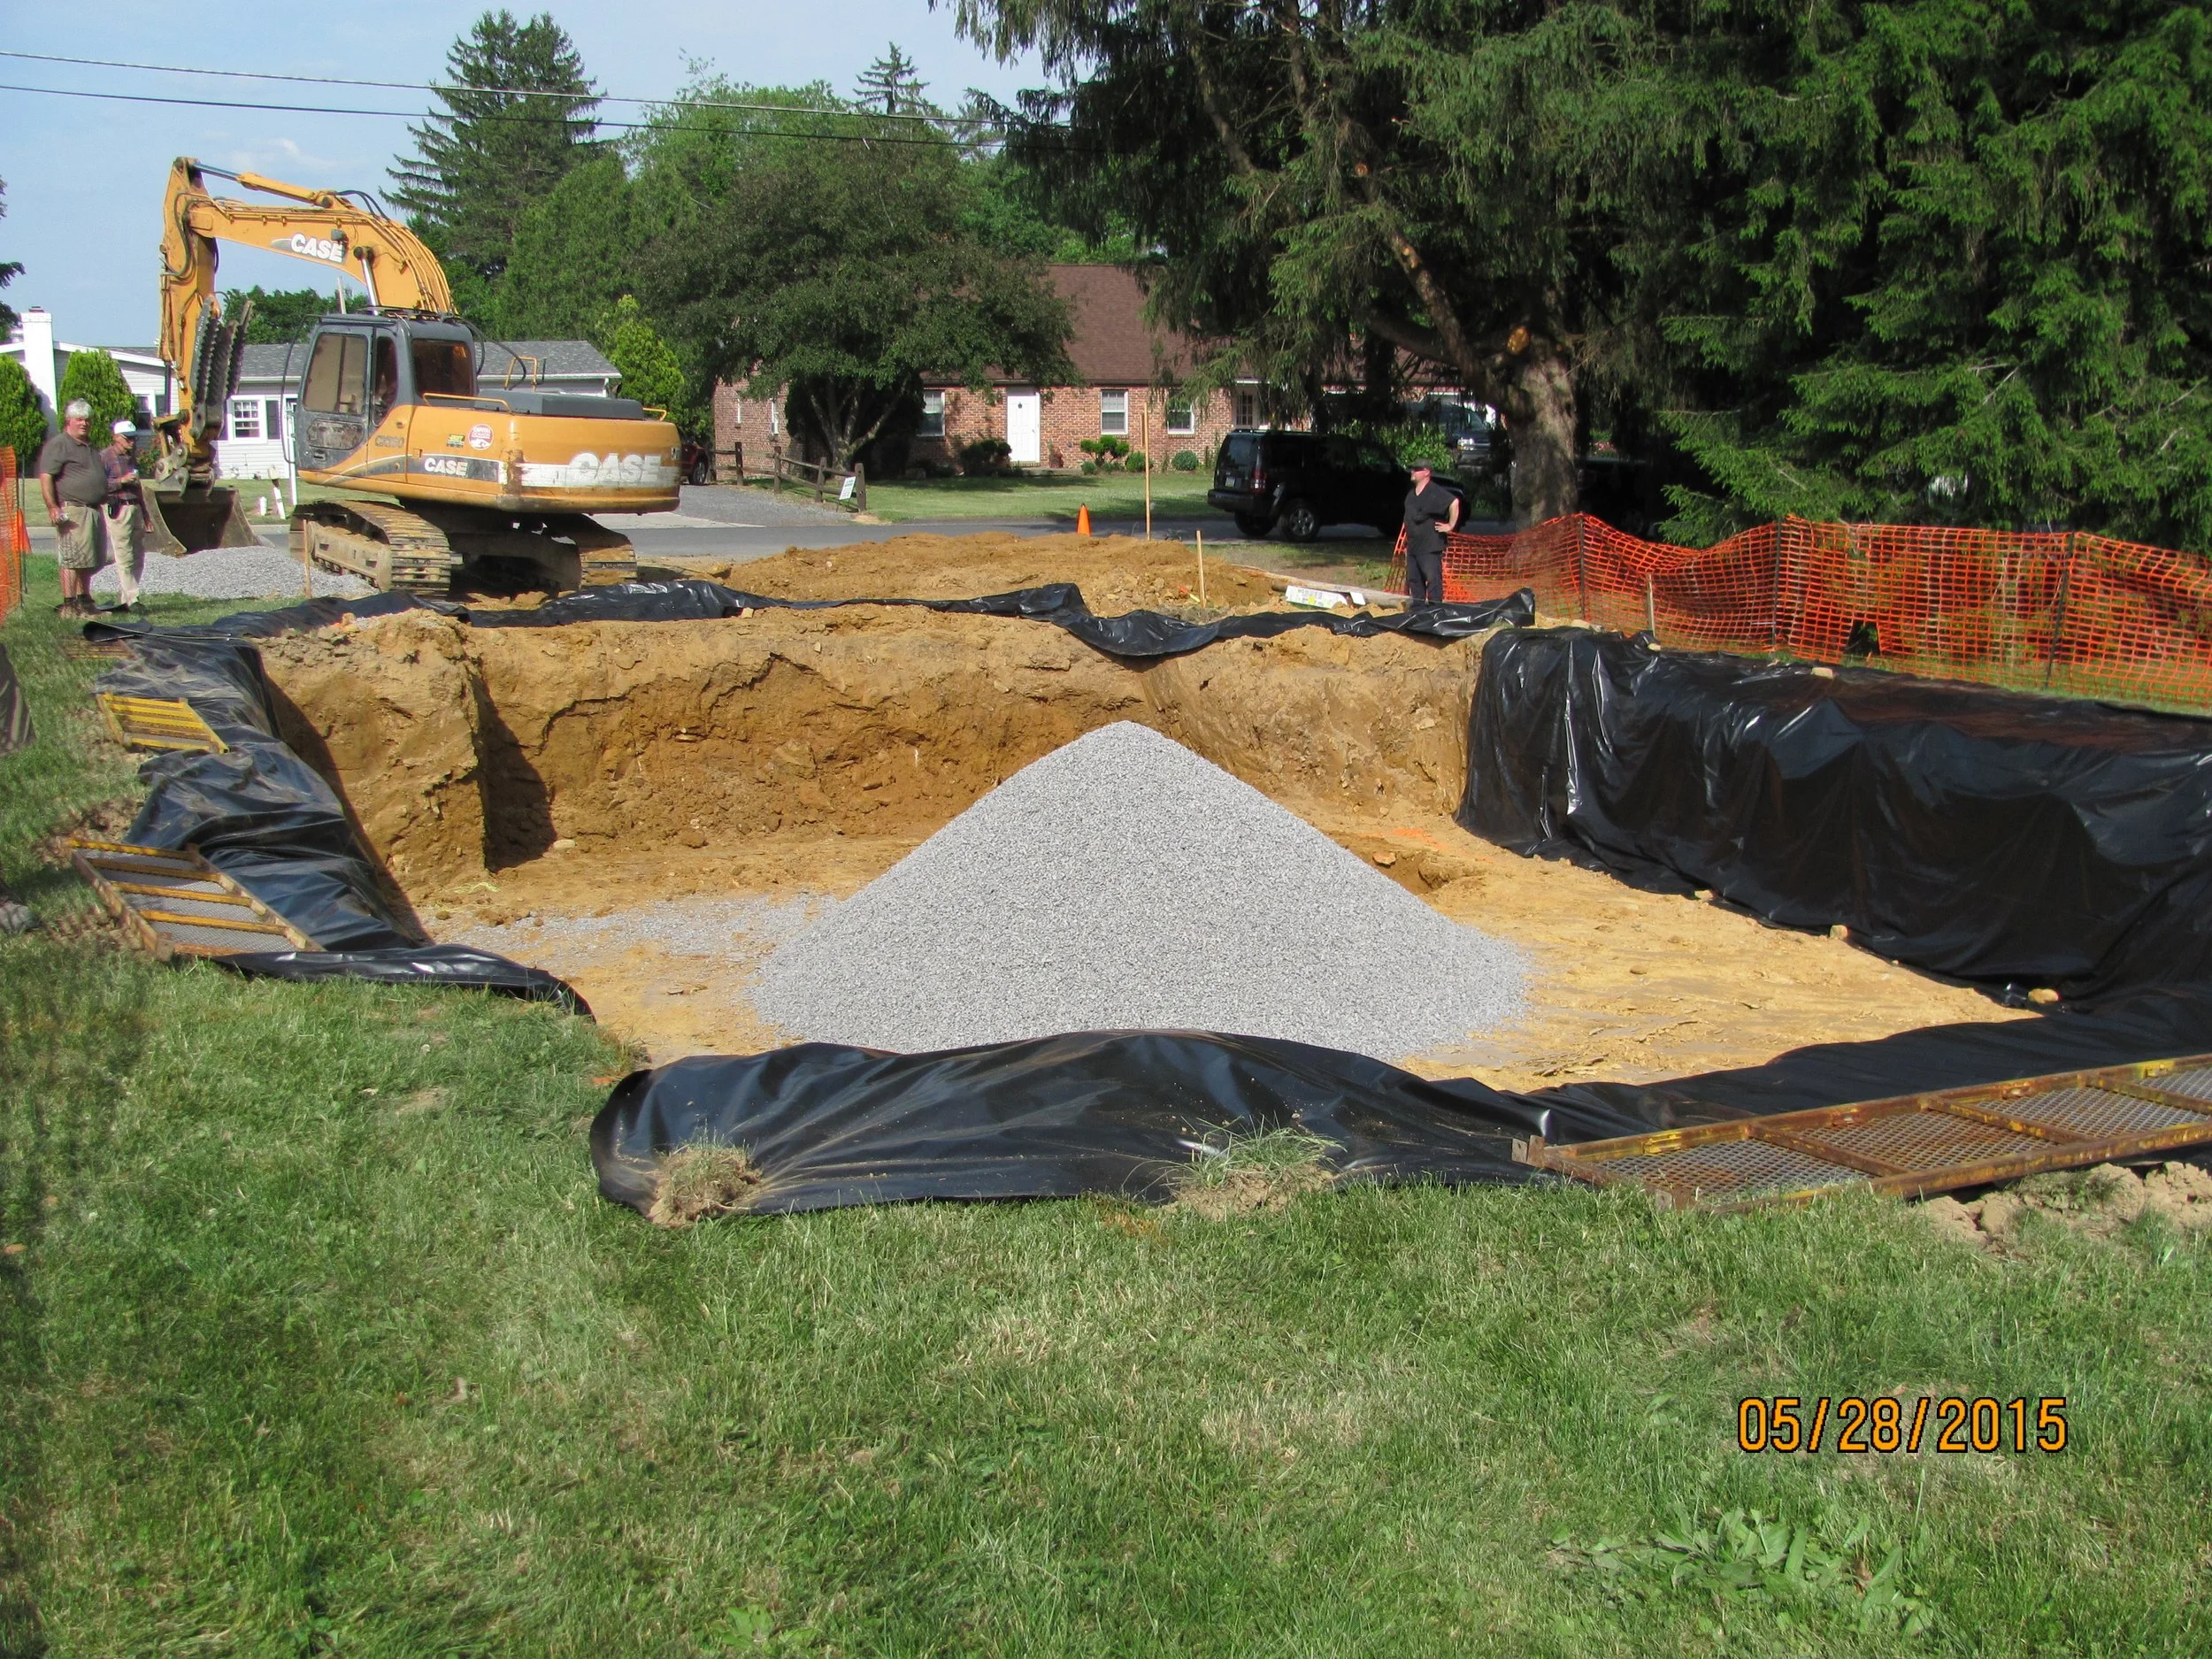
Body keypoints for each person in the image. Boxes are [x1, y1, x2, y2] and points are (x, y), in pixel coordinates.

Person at [37, 399, 110, 618]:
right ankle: (69, 606)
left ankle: (85, 602)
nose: (84, 423)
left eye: (87, 420)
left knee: (88, 560)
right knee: (72, 558)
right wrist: (52, 507)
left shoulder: (89, 446)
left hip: (93, 510)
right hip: (74, 509)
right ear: (69, 420)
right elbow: (46, 476)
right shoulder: (60, 444)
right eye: (80, 419)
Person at [102, 419, 149, 614]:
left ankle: (126, 599)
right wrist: (121, 481)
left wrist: (146, 514)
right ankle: (133, 597)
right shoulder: (104, 457)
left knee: (138, 555)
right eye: (128, 438)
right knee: (124, 555)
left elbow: (138, 488)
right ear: (116, 438)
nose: (132, 442)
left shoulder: (131, 458)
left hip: (135, 506)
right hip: (118, 508)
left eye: (134, 438)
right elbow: (99, 485)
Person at [1401, 458, 1461, 605]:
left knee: (1433, 581)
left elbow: (1454, 502)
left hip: (1430, 547)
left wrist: (1450, 525)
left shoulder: (1434, 492)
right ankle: (1418, 614)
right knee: (1415, 581)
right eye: (1412, 469)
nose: (1412, 472)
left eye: (1416, 469)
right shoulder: (1411, 495)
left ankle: (1435, 613)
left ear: (1427, 472)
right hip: (1413, 547)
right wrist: (1405, 543)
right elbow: (1408, 519)